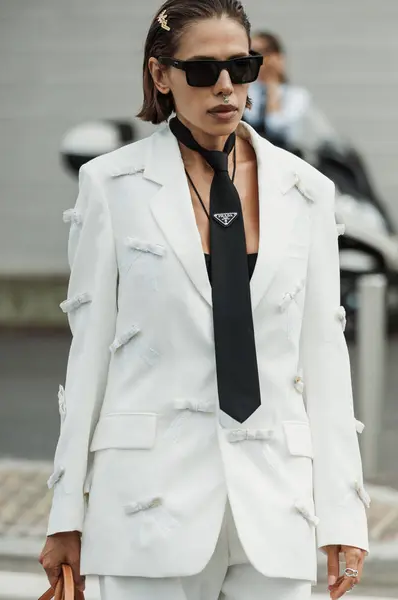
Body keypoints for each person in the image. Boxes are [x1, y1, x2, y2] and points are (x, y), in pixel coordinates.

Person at [39, 1, 369, 599]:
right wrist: (67, 512)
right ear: (161, 75)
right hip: (145, 505)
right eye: (201, 71)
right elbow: (86, 358)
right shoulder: (111, 186)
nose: (226, 86)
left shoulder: (308, 192)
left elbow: (324, 358)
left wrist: (344, 515)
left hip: (277, 508)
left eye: (242, 67)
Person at [244, 31, 328, 151]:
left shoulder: (297, 95)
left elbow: (276, 126)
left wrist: (272, 84)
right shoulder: (246, 90)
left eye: (259, 53)